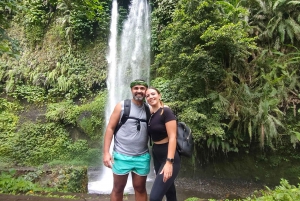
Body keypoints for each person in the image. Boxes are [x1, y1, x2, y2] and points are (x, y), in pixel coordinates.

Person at [103, 79, 151, 201]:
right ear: (131, 90)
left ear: (146, 91)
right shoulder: (122, 106)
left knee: (140, 188)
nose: (139, 91)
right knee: (118, 188)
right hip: (121, 155)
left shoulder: (148, 109)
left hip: (142, 156)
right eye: (136, 88)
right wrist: (106, 153)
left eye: (142, 88)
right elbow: (110, 128)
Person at [146, 87, 181, 201]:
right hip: (157, 154)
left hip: (168, 155)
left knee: (154, 197)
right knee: (169, 191)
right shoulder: (152, 114)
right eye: (148, 96)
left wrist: (169, 162)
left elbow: (172, 137)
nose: (150, 97)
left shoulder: (166, 111)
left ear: (159, 95)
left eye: (153, 94)